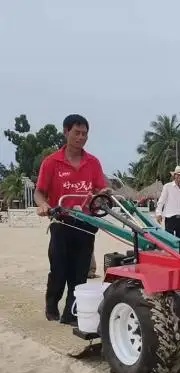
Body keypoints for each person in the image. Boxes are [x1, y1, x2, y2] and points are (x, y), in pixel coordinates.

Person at [35, 114, 110, 325]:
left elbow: (98, 189)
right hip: (61, 222)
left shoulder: (93, 162)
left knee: (80, 272)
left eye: (84, 134)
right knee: (59, 269)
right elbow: (39, 192)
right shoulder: (52, 162)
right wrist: (43, 205)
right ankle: (52, 305)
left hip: (86, 224)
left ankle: (71, 312)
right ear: (66, 132)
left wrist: (104, 191)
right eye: (76, 133)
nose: (81, 137)